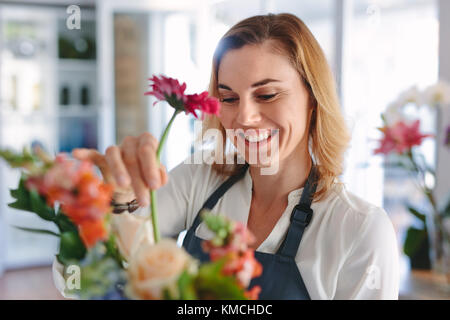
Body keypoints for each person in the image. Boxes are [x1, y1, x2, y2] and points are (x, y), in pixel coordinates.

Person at [66, 13, 399, 299]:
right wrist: (116, 204)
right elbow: (83, 283)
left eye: (266, 94)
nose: (244, 117)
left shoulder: (359, 229)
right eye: (228, 98)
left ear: (313, 99)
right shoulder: (200, 180)